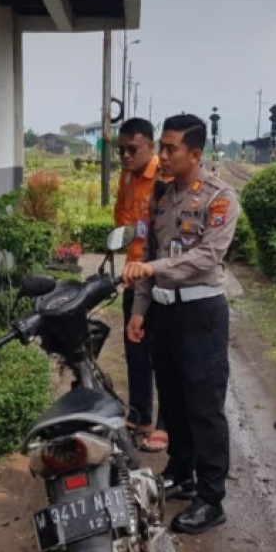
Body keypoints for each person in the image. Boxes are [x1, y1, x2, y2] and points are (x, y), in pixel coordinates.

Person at [123, 114, 239, 536]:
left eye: (171, 149)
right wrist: (139, 311)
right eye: (162, 147)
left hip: (200, 314)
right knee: (171, 397)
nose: (164, 156)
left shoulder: (218, 199)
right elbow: (149, 254)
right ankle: (182, 471)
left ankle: (211, 497)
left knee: (204, 406)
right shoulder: (160, 196)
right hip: (163, 311)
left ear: (195, 153)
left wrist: (151, 268)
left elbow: (207, 258)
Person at [113, 118, 168, 453]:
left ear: (150, 145)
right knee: (135, 349)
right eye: (121, 150)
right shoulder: (128, 177)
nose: (125, 156)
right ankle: (140, 415)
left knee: (162, 355)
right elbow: (122, 220)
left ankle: (165, 424)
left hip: (159, 277)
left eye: (132, 149)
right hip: (134, 277)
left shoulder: (166, 178)